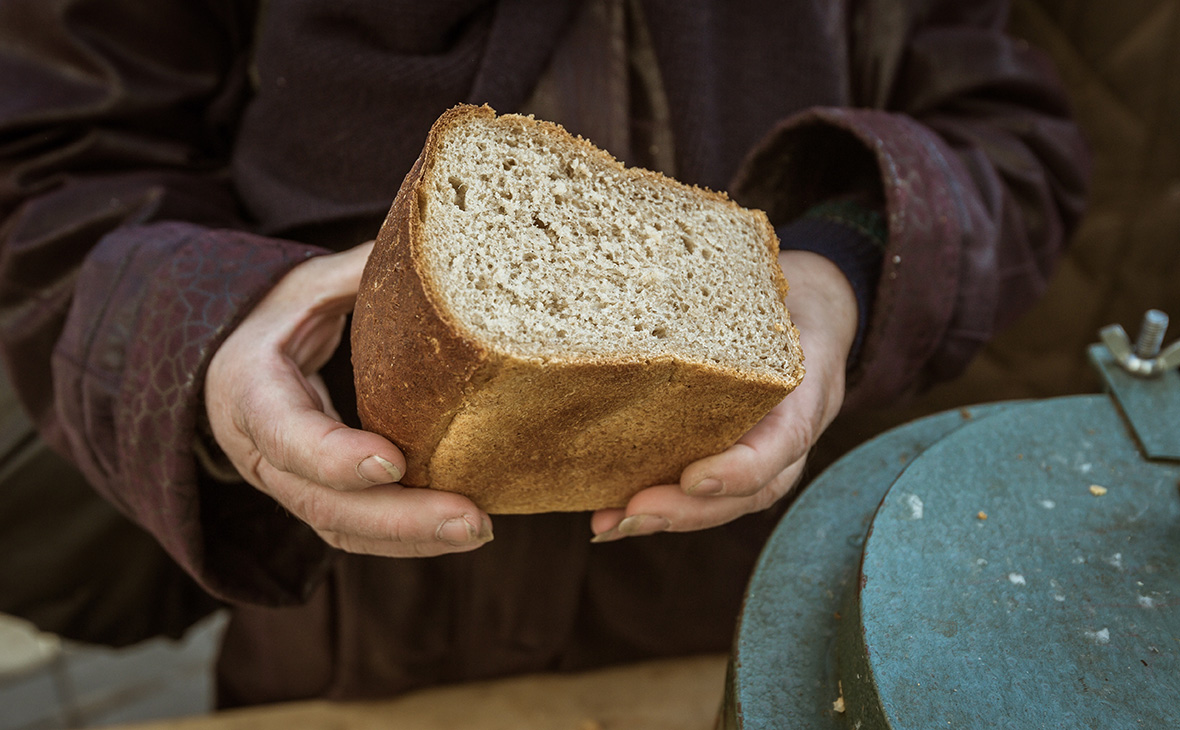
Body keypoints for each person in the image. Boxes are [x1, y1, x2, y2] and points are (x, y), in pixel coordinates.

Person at [0, 0, 1087, 707]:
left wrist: (844, 260)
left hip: (758, 595)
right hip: (354, 630)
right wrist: (212, 328)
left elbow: (1013, 129)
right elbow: (52, 168)